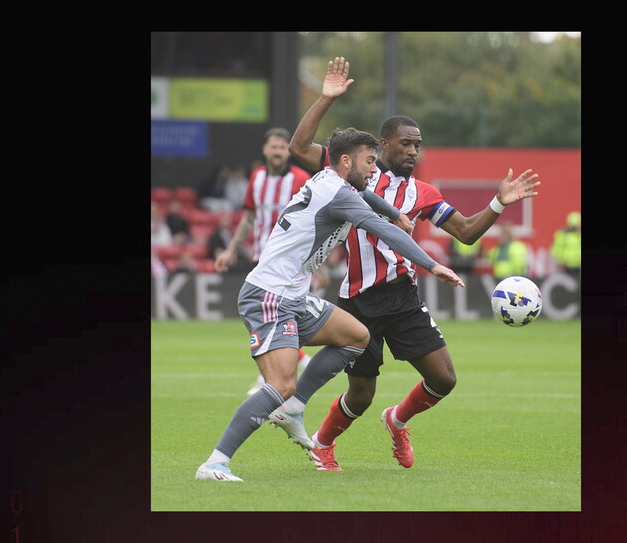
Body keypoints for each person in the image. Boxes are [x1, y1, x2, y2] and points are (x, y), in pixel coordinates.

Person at [277, 56, 540, 471]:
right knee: (360, 394)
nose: (413, 150)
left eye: (418, 144)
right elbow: (297, 147)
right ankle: (322, 444)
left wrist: (497, 203)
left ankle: (397, 419)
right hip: (358, 300)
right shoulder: (353, 174)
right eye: (406, 143)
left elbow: (467, 232)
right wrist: (326, 99)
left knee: (444, 379)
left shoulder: (423, 192)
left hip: (403, 299)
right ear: (383, 146)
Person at [195, 127, 465, 482]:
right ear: (346, 160)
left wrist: (393, 211)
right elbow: (386, 232)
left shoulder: (329, 179)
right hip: (270, 296)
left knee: (356, 335)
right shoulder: (339, 194)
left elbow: (370, 200)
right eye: (370, 161)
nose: (374, 169)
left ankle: (292, 409)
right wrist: (432, 264)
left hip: (292, 295)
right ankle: (215, 463)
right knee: (280, 384)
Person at [214, 127, 320, 395]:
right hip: (262, 259)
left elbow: (316, 222)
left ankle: (273, 378)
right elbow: (250, 218)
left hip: (291, 263)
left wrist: (318, 264)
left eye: (282, 148)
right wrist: (230, 250)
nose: (277, 152)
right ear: (265, 149)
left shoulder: (300, 179)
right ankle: (287, 367)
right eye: (273, 147)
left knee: (277, 317)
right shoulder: (256, 178)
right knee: (263, 318)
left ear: (288, 150)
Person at [550, 210, 581, 278]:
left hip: (578, 265)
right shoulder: (562, 235)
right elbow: (557, 249)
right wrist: (559, 261)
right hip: (566, 265)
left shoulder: (578, 235)